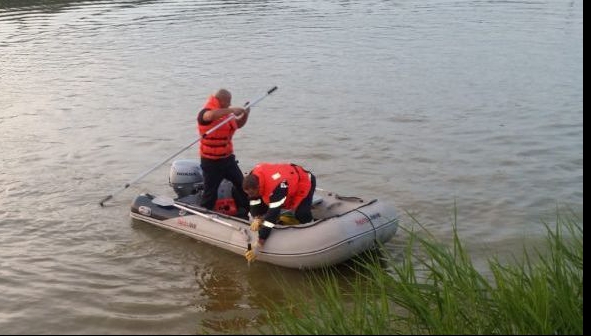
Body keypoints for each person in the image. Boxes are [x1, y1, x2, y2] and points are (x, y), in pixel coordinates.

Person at [242, 162, 316, 263]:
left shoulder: (276, 188)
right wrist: (256, 217)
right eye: (248, 193)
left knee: (302, 213)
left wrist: (260, 243)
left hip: (303, 181)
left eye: (252, 193)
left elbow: (272, 216)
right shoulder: (253, 177)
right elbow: (254, 199)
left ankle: (312, 228)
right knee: (264, 205)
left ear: (258, 187)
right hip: (286, 179)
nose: (250, 195)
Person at [197, 88, 250, 219]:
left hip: (227, 160)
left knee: (242, 185)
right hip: (211, 162)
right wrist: (232, 110)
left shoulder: (226, 115)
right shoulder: (205, 113)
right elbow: (209, 116)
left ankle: (247, 211)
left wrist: (246, 114)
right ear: (220, 100)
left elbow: (237, 124)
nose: (230, 104)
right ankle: (204, 216)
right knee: (210, 193)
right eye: (228, 102)